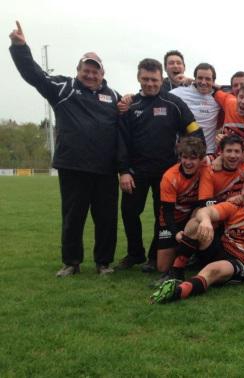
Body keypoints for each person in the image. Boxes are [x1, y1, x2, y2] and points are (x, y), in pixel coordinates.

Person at [9, 21, 120, 276]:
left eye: (96, 71)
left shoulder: (113, 96)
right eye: (86, 70)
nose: (91, 75)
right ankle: (71, 262)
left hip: (105, 169)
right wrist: (20, 47)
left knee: (106, 219)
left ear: (103, 73)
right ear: (78, 70)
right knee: (73, 217)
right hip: (73, 166)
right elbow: (34, 75)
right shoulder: (63, 88)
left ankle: (103, 263)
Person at [116, 58, 204, 272]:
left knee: (162, 216)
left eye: (154, 79)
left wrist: (200, 155)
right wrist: (124, 171)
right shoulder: (129, 106)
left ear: (160, 78)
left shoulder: (174, 103)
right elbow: (121, 141)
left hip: (166, 174)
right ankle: (135, 253)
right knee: (129, 213)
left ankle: (154, 257)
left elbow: (194, 130)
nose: (150, 84)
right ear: (139, 78)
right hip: (135, 173)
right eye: (145, 79)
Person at [150, 171, 244, 304]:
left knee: (212, 270)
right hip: (221, 249)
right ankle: (177, 272)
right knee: (195, 223)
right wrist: (206, 221)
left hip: (243, 261)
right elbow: (204, 211)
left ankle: (176, 292)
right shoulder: (236, 204)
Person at [155, 137, 213, 283]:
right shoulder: (169, 176)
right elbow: (167, 211)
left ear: (201, 159)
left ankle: (189, 255)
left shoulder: (205, 169)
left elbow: (204, 203)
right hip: (172, 218)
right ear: (180, 157)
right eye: (184, 157)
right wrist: (176, 233)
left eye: (193, 158)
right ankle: (188, 252)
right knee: (162, 267)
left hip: (190, 215)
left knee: (199, 214)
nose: (188, 162)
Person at [170, 63, 221, 155]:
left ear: (213, 81)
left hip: (208, 153)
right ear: (195, 79)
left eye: (208, 79)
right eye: (200, 78)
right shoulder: (179, 93)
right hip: (186, 153)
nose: (203, 82)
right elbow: (160, 97)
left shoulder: (218, 98)